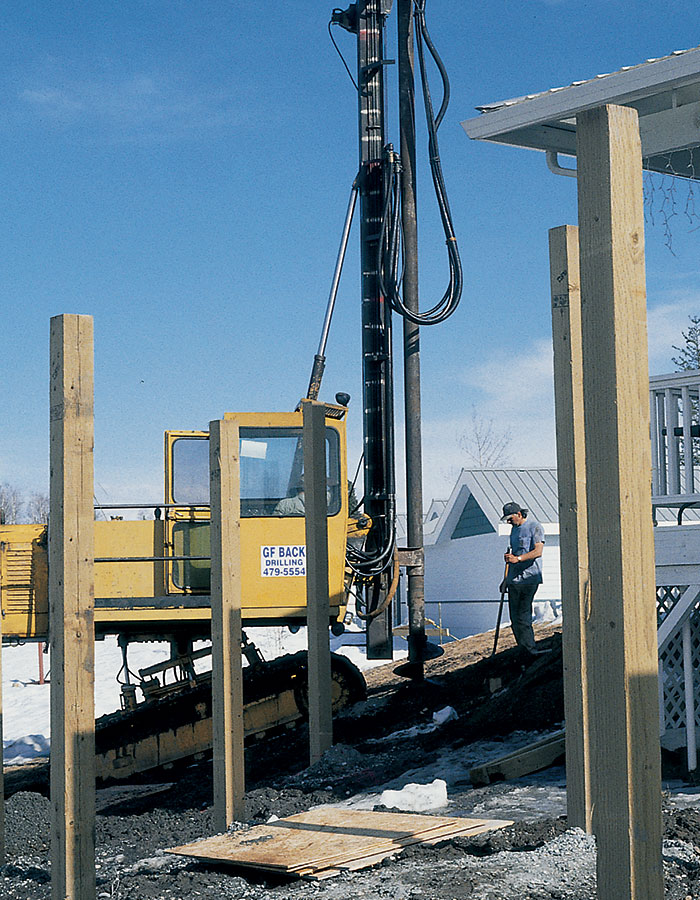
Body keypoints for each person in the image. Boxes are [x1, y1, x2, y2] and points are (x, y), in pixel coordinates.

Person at [501, 501, 545, 658]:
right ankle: (522, 648)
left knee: (523, 616)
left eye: (510, 518)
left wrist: (518, 559)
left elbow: (537, 551)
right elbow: (511, 557)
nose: (508, 522)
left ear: (519, 514)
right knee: (514, 618)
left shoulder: (535, 527)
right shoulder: (514, 531)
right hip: (514, 580)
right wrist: (505, 579)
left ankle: (530, 648)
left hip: (529, 579)